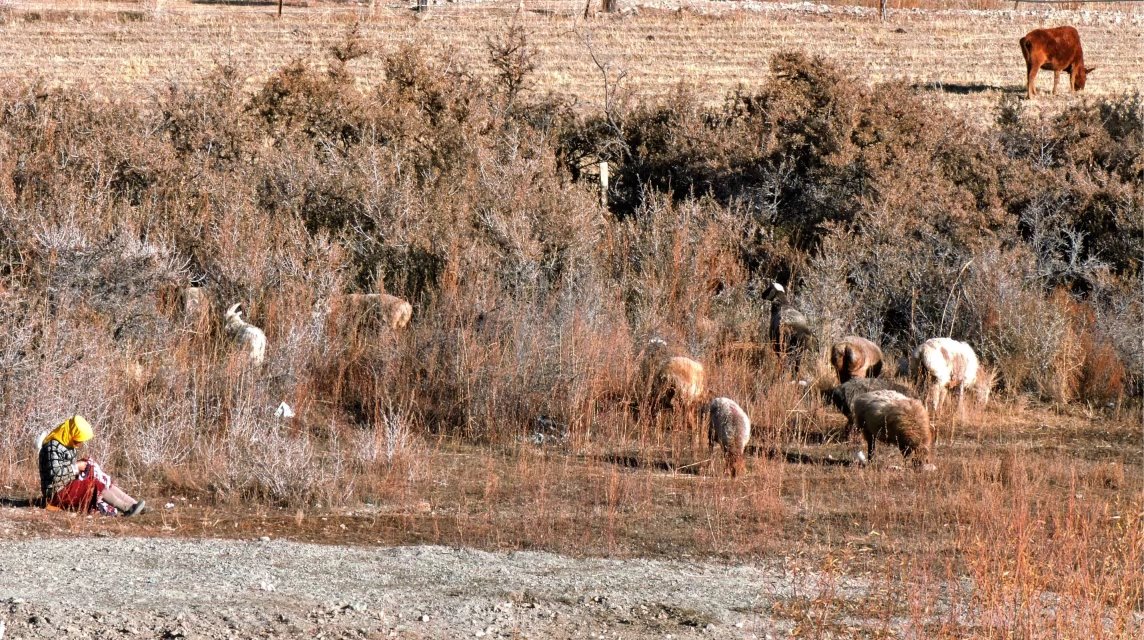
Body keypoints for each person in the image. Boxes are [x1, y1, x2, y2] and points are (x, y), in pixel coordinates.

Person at [37, 415, 146, 517]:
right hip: (56, 492)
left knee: (100, 478)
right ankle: (127, 509)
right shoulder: (52, 447)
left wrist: (83, 465)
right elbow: (54, 475)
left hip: (67, 485)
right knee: (94, 484)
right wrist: (76, 467)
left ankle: (134, 504)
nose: (80, 443)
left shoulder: (66, 442)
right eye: (78, 440)